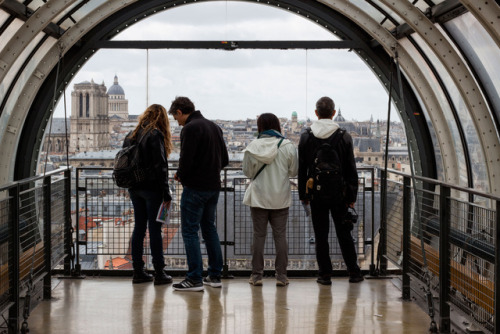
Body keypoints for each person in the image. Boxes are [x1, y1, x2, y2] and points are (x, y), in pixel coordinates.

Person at [298, 96, 363, 285]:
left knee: (321, 236)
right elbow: (351, 169)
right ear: (334, 113)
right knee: (344, 234)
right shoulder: (344, 136)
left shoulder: (306, 136)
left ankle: (325, 274)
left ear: (316, 113)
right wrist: (351, 196)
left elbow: (302, 170)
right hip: (340, 194)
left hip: (317, 194)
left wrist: (304, 195)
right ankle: (354, 272)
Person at [168, 96, 229, 291]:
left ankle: (194, 278)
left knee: (189, 231)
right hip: (213, 186)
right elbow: (225, 159)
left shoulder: (190, 128)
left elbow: (186, 159)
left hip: (195, 187)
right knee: (209, 229)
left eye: (176, 118)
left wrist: (180, 175)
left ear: (179, 112)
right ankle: (214, 275)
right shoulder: (214, 127)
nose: (177, 123)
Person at [242, 113, 298, 287]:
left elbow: (247, 173)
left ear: (260, 126)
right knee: (280, 237)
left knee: (259, 236)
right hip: (280, 197)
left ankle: (256, 275)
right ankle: (281, 276)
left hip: (259, 197)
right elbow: (294, 172)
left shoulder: (253, 146)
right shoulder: (287, 145)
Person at [124, 104, 173, 285]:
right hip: (152, 189)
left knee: (139, 228)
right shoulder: (155, 135)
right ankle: (159, 272)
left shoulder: (131, 135)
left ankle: (138, 270)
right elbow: (160, 166)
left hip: (134, 187)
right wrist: (166, 192)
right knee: (155, 230)